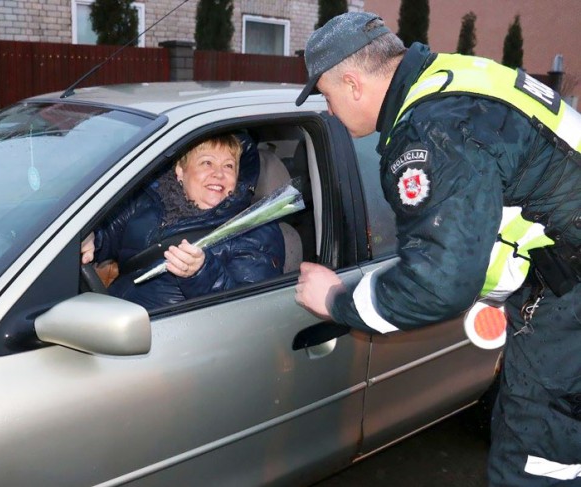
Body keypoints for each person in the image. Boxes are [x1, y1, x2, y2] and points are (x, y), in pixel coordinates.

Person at [293, 11, 580, 487]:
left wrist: (335, 300)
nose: (330, 110)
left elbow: (437, 284)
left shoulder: (432, 131)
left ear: (352, 82)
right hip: (560, 277)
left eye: (326, 95)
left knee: (537, 463)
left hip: (568, 302)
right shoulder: (455, 79)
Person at [81, 133, 285, 311]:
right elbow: (108, 234)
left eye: (229, 166)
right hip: (112, 318)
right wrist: (92, 239)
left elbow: (251, 309)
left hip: (176, 341)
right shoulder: (150, 201)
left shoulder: (254, 230)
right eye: (207, 162)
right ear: (180, 170)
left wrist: (202, 273)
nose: (219, 173)